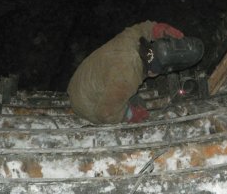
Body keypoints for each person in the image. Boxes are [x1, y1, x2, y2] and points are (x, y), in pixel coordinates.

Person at [67, 20, 203, 124]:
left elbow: (139, 29)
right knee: (138, 105)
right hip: (85, 104)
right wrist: (130, 115)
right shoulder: (128, 75)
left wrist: (155, 28)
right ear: (153, 73)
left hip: (82, 81)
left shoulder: (131, 41)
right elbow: (105, 114)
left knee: (130, 96)